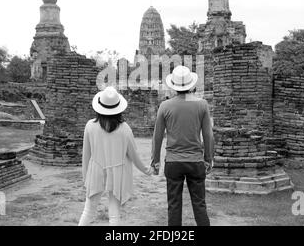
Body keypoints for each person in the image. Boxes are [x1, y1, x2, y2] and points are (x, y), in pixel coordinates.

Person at [78, 86, 152, 226]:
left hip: (95, 171)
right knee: (114, 215)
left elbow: (86, 155)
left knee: (88, 211)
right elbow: (133, 155)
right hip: (116, 174)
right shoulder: (125, 129)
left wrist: (85, 178)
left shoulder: (90, 126)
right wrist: (146, 170)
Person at [151, 65, 214, 226]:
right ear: (191, 84)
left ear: (173, 86)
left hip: (173, 162)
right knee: (200, 205)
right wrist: (208, 159)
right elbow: (208, 135)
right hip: (195, 161)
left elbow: (157, 136)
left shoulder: (165, 106)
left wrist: (155, 161)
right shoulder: (202, 105)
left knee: (174, 205)